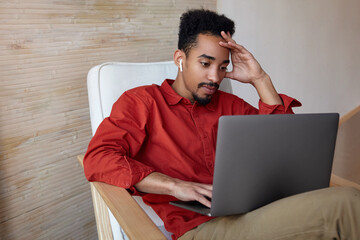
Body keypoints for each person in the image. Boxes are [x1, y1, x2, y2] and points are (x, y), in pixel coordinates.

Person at [84, 9, 360, 240]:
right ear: (180, 59)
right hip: (201, 228)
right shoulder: (142, 101)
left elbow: (286, 145)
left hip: (254, 210)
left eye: (223, 67)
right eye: (205, 63)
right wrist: (174, 186)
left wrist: (260, 79)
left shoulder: (229, 104)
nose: (214, 77)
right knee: (347, 203)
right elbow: (98, 158)